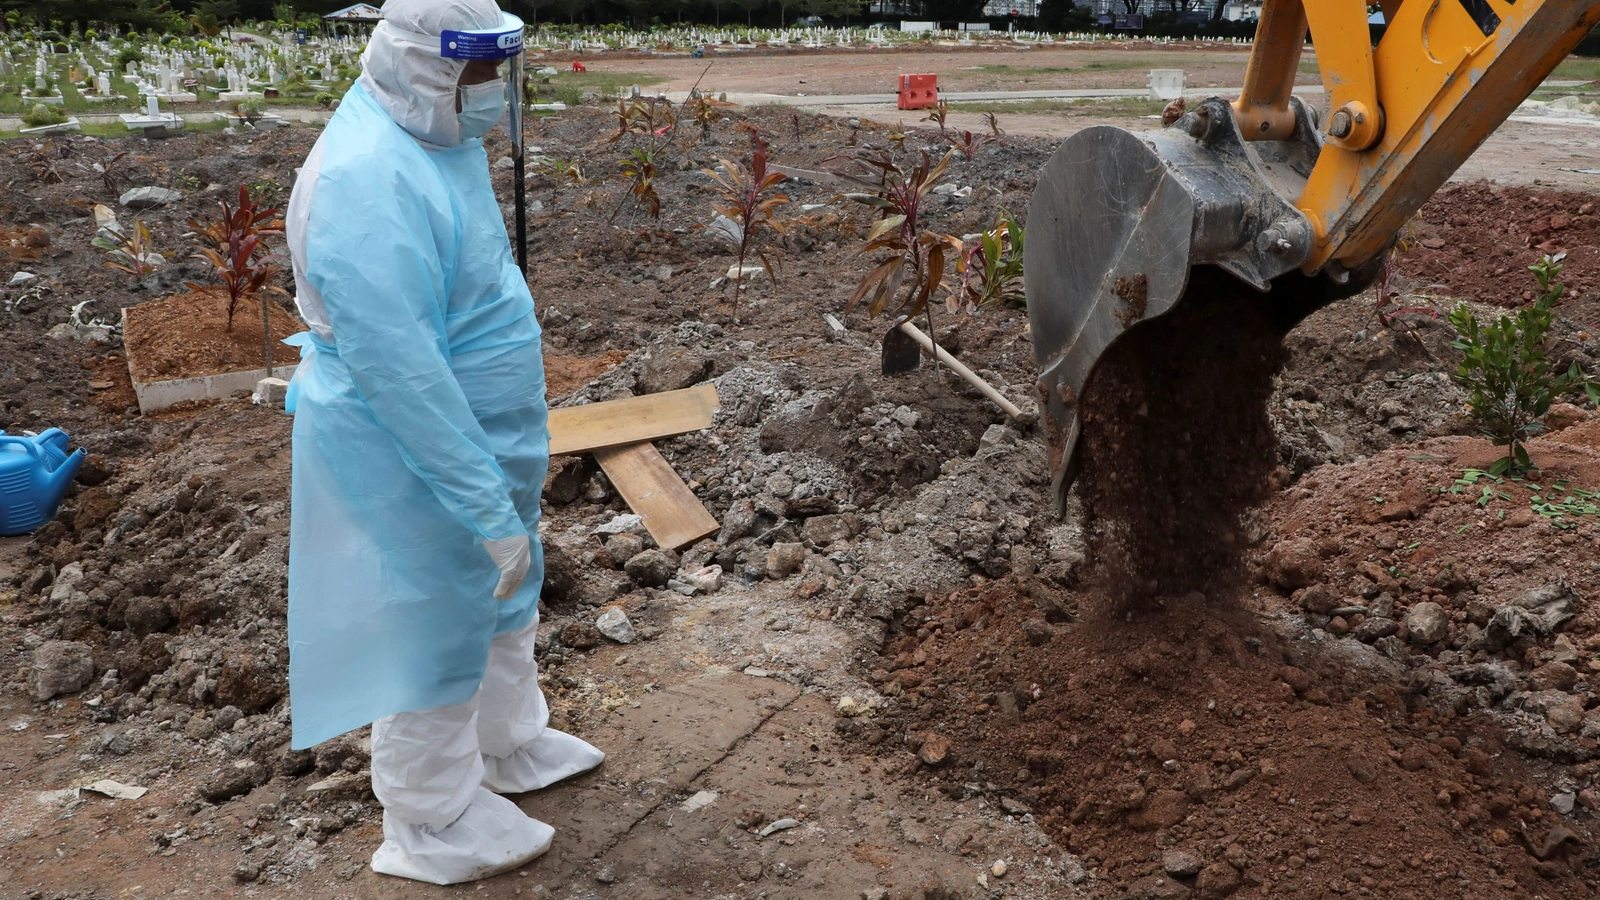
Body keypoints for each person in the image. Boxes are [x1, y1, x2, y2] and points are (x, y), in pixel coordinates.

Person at [281, 0, 603, 885]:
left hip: (486, 424)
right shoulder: (367, 180)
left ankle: (506, 742)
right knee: (432, 616)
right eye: (476, 75)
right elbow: (405, 376)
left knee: (502, 587)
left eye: (499, 71)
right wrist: (476, 498)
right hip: (416, 441)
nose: (491, 93)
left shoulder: (433, 139)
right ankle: (430, 818)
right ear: (423, 68)